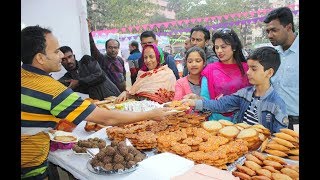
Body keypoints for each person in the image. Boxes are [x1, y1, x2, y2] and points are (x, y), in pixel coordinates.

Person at [21, 25, 174, 179]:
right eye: (56, 51)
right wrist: (150, 114)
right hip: (29, 169)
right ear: (40, 58)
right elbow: (107, 118)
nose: (61, 55)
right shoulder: (51, 89)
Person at [183, 46, 289, 133]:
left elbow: (280, 139)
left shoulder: (277, 104)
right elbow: (220, 105)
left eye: (254, 69)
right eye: (248, 68)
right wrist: (194, 102)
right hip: (242, 149)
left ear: (269, 72)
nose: (248, 72)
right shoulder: (244, 94)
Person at [201, 28, 250, 122]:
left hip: (244, 123)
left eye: (223, 47)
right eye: (216, 47)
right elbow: (205, 98)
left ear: (234, 47)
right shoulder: (209, 70)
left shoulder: (248, 69)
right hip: (217, 123)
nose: (219, 51)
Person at [264, 7, 299, 130]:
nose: (270, 35)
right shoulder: (272, 53)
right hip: (273, 120)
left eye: (274, 30)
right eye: (267, 31)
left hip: (296, 123)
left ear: (288, 27)